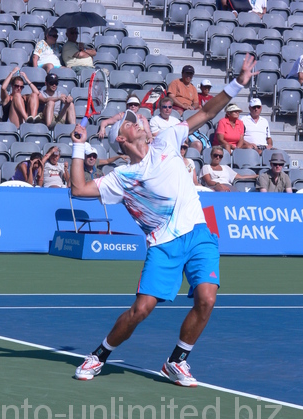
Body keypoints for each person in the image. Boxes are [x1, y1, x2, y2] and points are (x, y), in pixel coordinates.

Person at [70, 54, 257, 386]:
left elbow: (208, 111)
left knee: (207, 297)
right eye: (130, 121)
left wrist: (237, 84)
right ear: (123, 139)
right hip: (164, 244)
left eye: (136, 117)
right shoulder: (122, 177)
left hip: (198, 232)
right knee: (141, 310)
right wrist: (78, 149)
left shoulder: (167, 139)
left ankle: (177, 360)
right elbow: (79, 188)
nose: (138, 119)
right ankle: (99, 354)